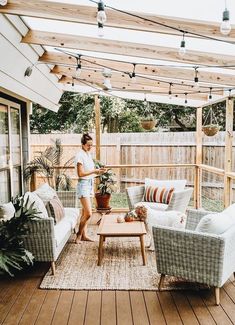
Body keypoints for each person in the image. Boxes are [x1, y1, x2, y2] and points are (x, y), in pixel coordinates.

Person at [75, 133, 106, 243]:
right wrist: (95, 171)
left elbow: (89, 173)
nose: (90, 147)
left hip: (89, 184)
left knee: (85, 212)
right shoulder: (80, 155)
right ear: (83, 144)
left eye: (91, 145)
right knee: (88, 213)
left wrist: (99, 172)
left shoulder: (88, 155)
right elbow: (80, 174)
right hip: (83, 185)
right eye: (88, 145)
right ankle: (78, 235)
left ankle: (85, 235)